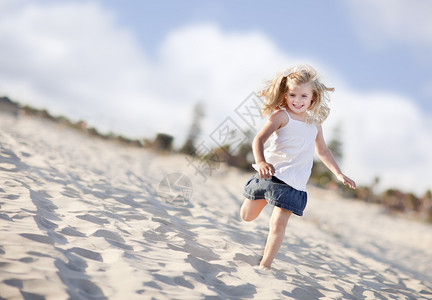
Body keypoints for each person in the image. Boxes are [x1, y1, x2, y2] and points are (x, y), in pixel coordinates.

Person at [240, 64, 356, 270]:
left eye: (304, 96)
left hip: (294, 183)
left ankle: (265, 266)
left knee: (278, 223)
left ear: (313, 97)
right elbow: (258, 139)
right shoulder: (281, 116)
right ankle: (260, 198)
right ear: (285, 95)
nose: (297, 100)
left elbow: (322, 151)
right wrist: (260, 162)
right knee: (247, 216)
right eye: (293, 95)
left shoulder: (315, 122)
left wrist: (339, 173)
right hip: (271, 175)